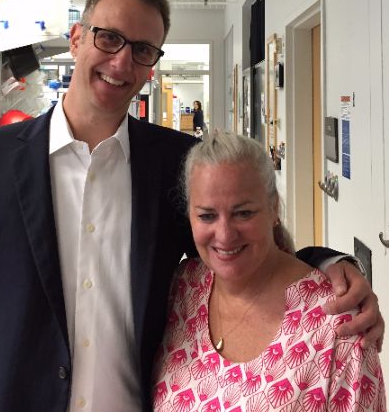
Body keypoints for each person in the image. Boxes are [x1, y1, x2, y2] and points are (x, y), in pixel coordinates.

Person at [0, 0, 383, 412]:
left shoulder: (173, 162)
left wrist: (330, 265)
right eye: (108, 38)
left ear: (152, 64)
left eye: (142, 50)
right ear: (76, 38)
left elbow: (236, 249)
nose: (121, 63)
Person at [152, 132, 387, 412]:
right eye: (207, 215)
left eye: (244, 213)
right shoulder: (183, 290)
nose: (225, 235)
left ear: (274, 207)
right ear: (188, 216)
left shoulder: (340, 325)